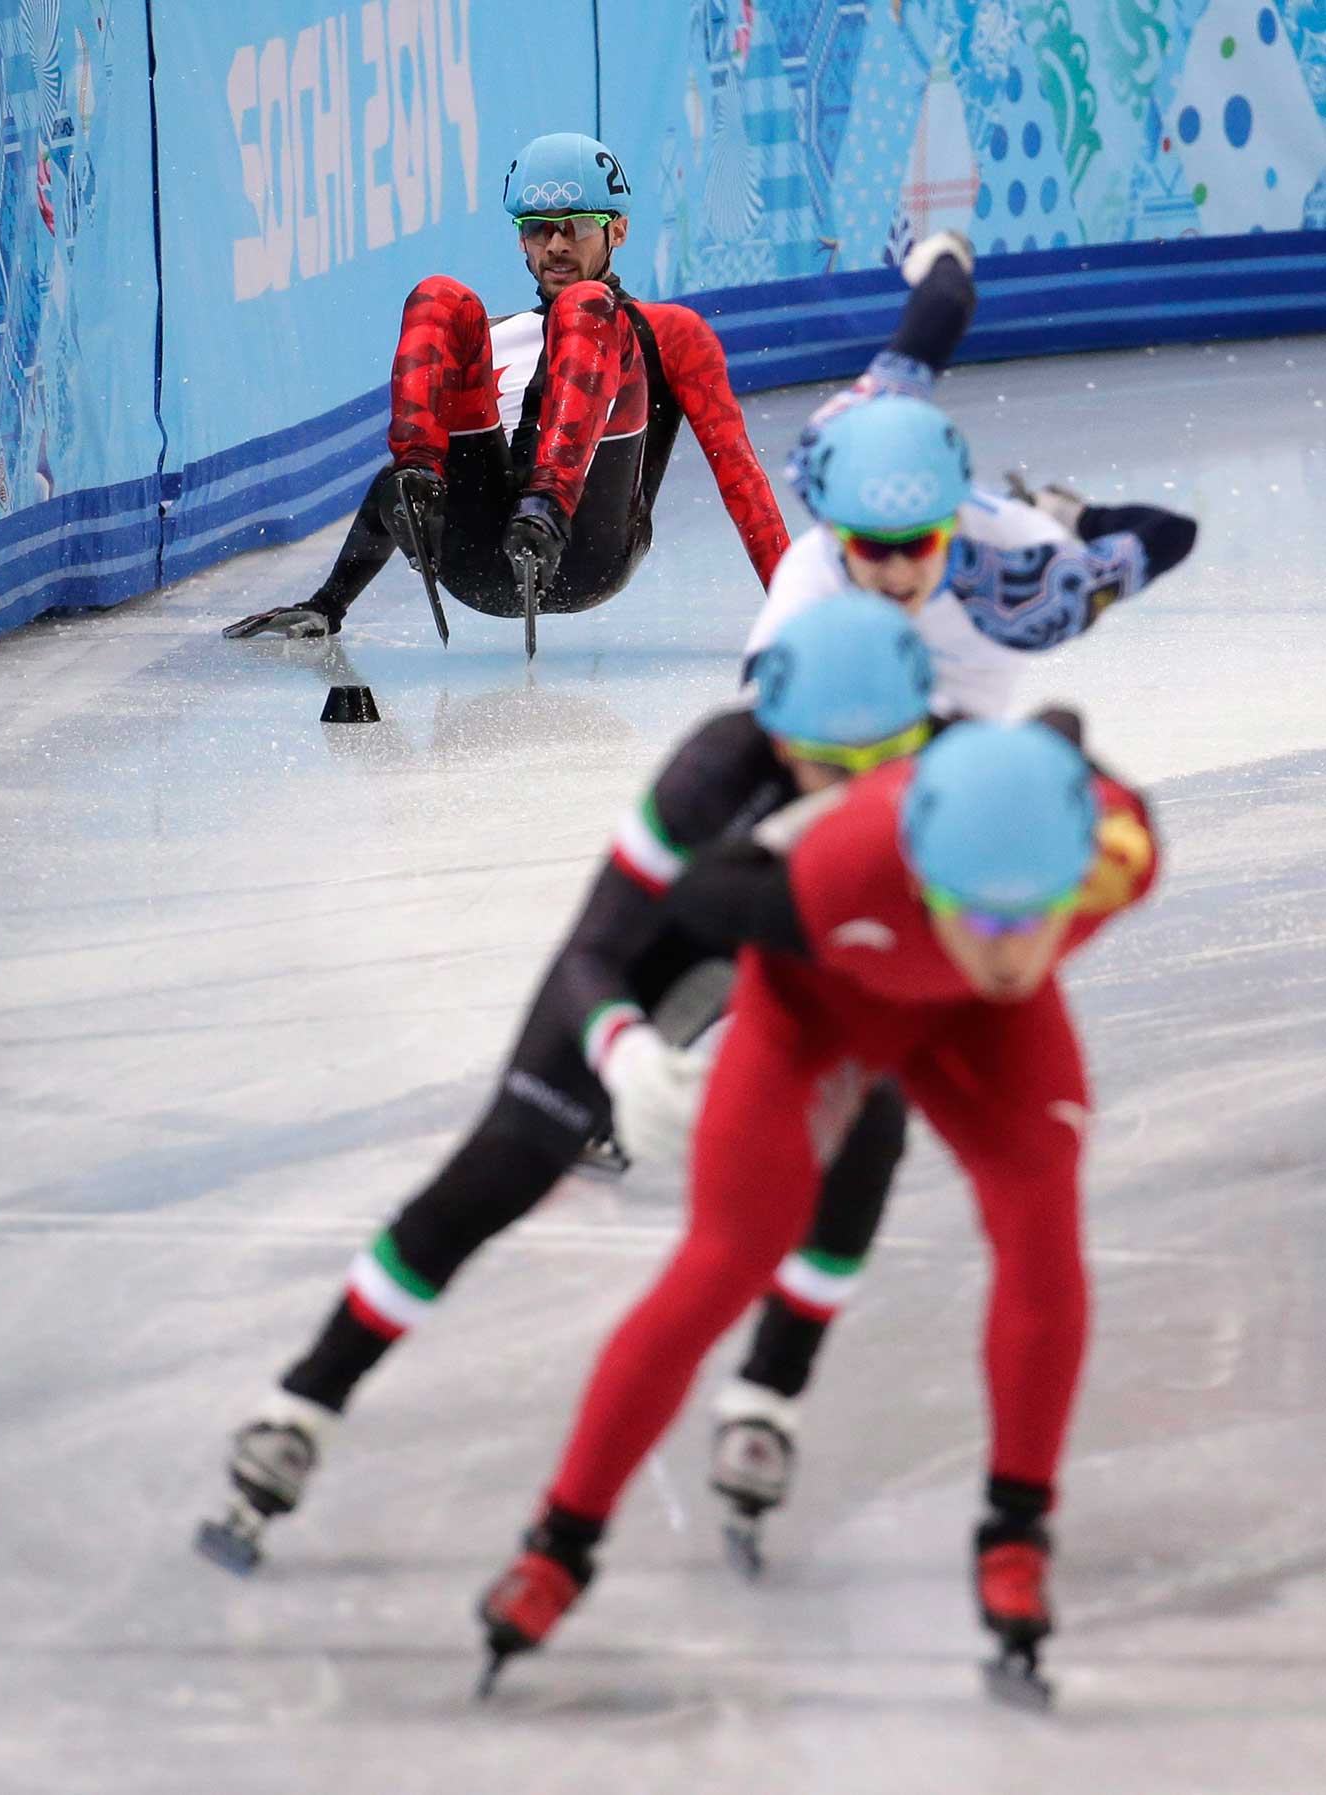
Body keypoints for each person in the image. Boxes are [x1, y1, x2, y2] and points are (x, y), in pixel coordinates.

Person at [194, 591, 936, 1574]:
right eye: (819, 764)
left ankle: (769, 1394)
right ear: (773, 733)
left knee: (870, 1133)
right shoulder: (717, 769)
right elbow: (594, 948)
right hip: (664, 957)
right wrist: (623, 1046)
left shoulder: (951, 769)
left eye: (872, 765)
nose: (842, 791)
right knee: (496, 1171)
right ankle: (305, 1400)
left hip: (807, 963)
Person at [479, 717, 1160, 1697]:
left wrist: (1046, 747)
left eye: (1031, 917)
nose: (1008, 950)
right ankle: (559, 1543)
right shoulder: (833, 871)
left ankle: (1015, 1534)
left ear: (1078, 879)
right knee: (727, 1258)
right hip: (821, 1002)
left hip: (983, 1029)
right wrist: (629, 1044)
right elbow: (690, 897)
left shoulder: (1118, 853)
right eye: (976, 917)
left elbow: (1063, 740)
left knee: (1040, 1220)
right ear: (923, 878)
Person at [706, 368, 1196, 1553]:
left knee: (886, 1137)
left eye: (916, 542)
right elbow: (751, 794)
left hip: (958, 840)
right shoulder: (813, 577)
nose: (889, 567)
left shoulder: (1025, 574)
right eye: (867, 545)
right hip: (872, 822)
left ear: (950, 526)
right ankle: (767, 1389)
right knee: (853, 1121)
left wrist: (1076, 539)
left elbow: (1168, 533)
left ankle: (774, 1391)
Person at [222, 132, 787, 648]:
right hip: (481, 563)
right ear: (522, 238)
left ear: (618, 230)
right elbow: (404, 474)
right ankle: (507, 505)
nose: (556, 245)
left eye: (576, 226)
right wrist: (329, 602)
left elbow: (740, 474)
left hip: (589, 553)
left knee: (587, 305)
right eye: (537, 228)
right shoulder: (493, 336)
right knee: (440, 297)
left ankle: (547, 509)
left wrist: (798, 610)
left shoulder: (669, 333)